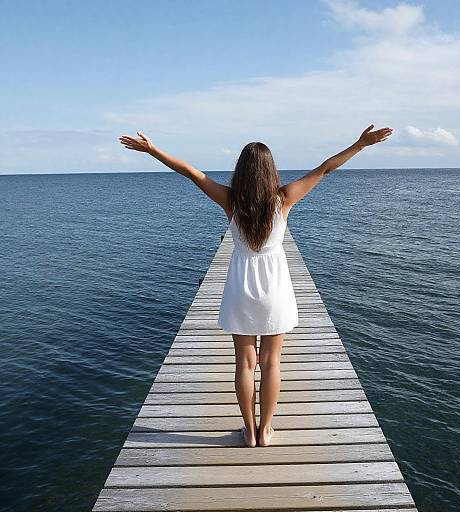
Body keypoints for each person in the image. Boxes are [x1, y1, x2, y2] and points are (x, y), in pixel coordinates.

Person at [119, 124, 393, 447]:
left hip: (241, 289)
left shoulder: (230, 201)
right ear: (270, 171)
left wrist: (152, 150)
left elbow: (191, 173)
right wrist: (360, 144)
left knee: (245, 363)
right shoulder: (284, 199)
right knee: (271, 363)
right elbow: (325, 169)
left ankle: (248, 432)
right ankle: (266, 430)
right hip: (275, 290)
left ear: (242, 172)